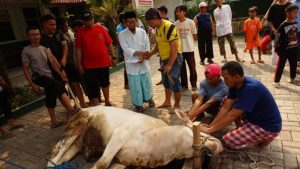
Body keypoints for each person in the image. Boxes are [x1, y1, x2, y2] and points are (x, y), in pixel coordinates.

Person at [199, 61, 282, 150]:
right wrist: (211, 126)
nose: (224, 81)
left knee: (227, 141)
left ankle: (265, 138)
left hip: (266, 126)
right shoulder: (234, 84)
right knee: (225, 100)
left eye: (226, 78)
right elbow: (226, 107)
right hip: (252, 118)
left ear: (237, 77)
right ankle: (242, 129)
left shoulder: (251, 88)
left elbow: (231, 115)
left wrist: (209, 131)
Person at [22, 27, 77, 128]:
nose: (35, 37)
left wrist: (62, 75)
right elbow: (25, 69)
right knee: (60, 87)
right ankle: (71, 111)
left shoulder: (44, 48)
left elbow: (52, 63)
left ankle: (53, 122)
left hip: (49, 77)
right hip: (39, 78)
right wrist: (32, 84)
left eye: (37, 34)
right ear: (28, 36)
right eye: (32, 35)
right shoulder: (26, 50)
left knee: (50, 97)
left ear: (40, 35)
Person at [76, 10, 117, 106]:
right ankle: (95, 103)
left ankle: (107, 101)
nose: (89, 22)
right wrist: (79, 64)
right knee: (92, 85)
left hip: (103, 62)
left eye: (91, 20)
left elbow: (109, 43)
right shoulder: (80, 33)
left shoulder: (100, 28)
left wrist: (113, 57)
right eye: (87, 21)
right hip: (89, 65)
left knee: (105, 83)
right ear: (82, 21)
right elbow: (78, 50)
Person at [145, 8, 183, 111]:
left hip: (173, 58)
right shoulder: (157, 29)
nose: (148, 24)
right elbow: (158, 44)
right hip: (164, 58)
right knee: (166, 82)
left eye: (149, 22)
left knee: (174, 81)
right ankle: (167, 102)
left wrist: (170, 64)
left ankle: (177, 105)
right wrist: (150, 53)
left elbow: (174, 47)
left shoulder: (169, 26)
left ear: (154, 19)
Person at [118, 11, 155, 112]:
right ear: (125, 23)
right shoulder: (122, 34)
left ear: (136, 21)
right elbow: (125, 48)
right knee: (135, 85)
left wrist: (144, 55)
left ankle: (149, 99)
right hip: (131, 64)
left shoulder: (142, 32)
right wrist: (138, 53)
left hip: (143, 62)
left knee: (146, 82)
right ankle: (138, 104)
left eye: (133, 21)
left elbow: (147, 44)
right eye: (129, 22)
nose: (131, 24)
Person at [56, 17, 88, 108]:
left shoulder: (68, 33)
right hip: (66, 64)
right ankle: (79, 103)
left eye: (66, 25)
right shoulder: (58, 35)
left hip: (72, 62)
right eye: (63, 26)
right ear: (59, 27)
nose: (66, 27)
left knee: (75, 83)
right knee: (73, 84)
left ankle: (80, 102)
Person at [274, 5, 299, 88]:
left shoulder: (295, 23)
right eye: (294, 12)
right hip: (284, 50)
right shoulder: (283, 25)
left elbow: (296, 34)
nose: (296, 14)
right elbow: (277, 37)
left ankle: (292, 78)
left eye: (297, 12)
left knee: (293, 64)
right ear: (288, 13)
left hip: (293, 48)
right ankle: (276, 81)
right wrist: (276, 47)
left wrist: (297, 44)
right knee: (281, 65)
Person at [174, 5, 198, 91]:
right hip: (179, 50)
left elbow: (195, 35)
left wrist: (189, 40)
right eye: (177, 11)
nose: (178, 13)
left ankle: (194, 84)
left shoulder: (191, 22)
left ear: (184, 12)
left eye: (180, 11)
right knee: (182, 69)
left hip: (189, 49)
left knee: (192, 67)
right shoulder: (175, 24)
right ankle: (184, 85)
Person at [40, 14, 68, 81]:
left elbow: (65, 46)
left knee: (74, 83)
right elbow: (51, 56)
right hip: (54, 68)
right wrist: (61, 70)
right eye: (51, 25)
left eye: (55, 24)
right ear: (44, 25)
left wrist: (64, 58)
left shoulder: (57, 33)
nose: (54, 27)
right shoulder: (41, 39)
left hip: (65, 63)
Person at [267, 0, 291, 65]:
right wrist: (273, 29)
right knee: (275, 51)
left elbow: (293, 19)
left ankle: (284, 65)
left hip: (287, 33)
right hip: (275, 33)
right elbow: (269, 20)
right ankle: (277, 67)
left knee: (287, 50)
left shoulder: (290, 5)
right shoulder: (273, 7)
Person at [116, 13, 129, 89]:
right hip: (123, 49)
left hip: (128, 49)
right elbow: (119, 40)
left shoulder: (126, 25)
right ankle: (126, 84)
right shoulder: (120, 27)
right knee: (127, 66)